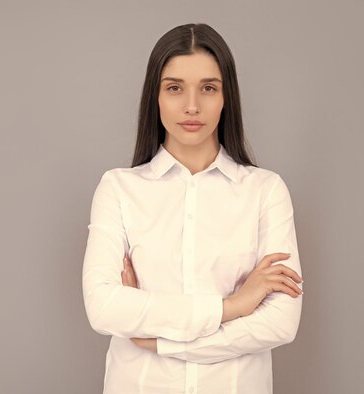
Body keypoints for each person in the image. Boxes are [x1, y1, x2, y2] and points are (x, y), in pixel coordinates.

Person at [82, 23, 303, 394]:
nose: (191, 106)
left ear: (226, 96)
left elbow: (280, 323)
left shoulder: (266, 191)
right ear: (155, 96)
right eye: (174, 88)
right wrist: (233, 306)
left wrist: (157, 338)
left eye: (208, 88)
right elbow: (103, 307)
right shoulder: (119, 188)